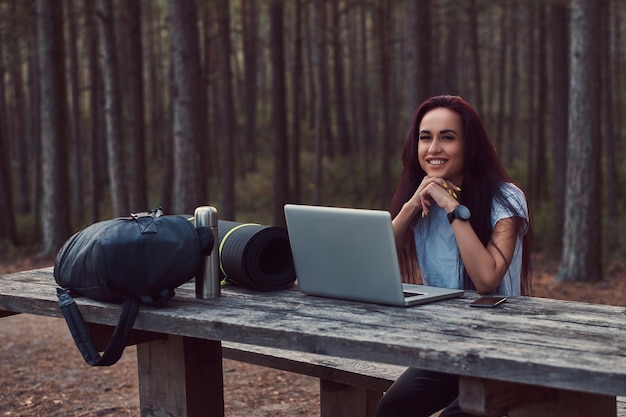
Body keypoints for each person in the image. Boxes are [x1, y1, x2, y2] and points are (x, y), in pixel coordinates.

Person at [374, 95, 532, 417]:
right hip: (447, 343)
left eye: (447, 137)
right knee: (393, 409)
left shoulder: (506, 199)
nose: (433, 148)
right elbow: (377, 263)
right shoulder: (419, 201)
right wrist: (409, 207)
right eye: (425, 137)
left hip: (501, 348)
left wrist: (451, 206)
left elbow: (487, 279)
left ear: (469, 145)